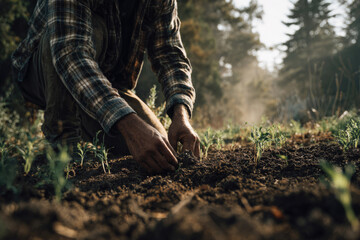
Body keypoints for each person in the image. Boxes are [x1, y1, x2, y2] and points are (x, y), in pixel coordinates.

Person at [11, 0, 200, 174]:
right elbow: (70, 53)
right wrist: (129, 124)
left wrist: (181, 114)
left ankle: (87, 131)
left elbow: (170, 55)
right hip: (43, 70)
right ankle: (63, 144)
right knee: (95, 28)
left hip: (107, 82)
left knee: (158, 150)